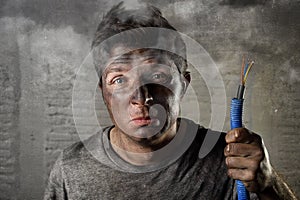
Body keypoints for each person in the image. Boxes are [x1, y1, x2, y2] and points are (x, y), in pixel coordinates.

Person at [44, 2, 297, 200]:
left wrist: (270, 185)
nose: (141, 97)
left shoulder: (231, 161)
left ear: (183, 84)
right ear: (103, 92)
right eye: (119, 80)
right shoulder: (70, 170)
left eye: (157, 75)